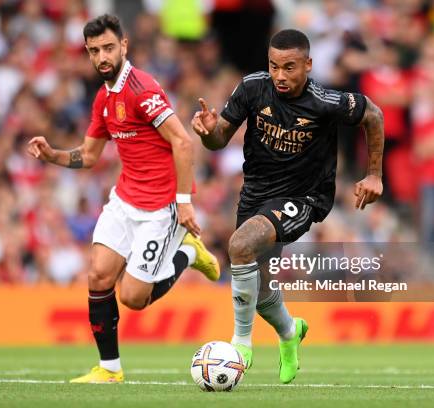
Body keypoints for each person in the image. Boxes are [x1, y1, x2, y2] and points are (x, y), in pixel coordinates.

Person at [28, 14, 220, 384]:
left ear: (124, 46)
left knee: (132, 297)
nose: (102, 56)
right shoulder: (104, 97)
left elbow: (182, 141)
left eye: (108, 48)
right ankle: (109, 369)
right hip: (125, 200)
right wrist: (52, 154)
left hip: (161, 207)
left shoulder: (141, 90)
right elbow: (89, 155)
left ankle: (189, 253)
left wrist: (183, 201)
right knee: (98, 275)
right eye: (94, 50)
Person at [191, 29, 384, 384]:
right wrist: (208, 132)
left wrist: (374, 175)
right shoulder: (251, 88)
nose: (280, 75)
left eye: (290, 67)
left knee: (239, 246)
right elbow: (219, 140)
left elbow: (373, 114)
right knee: (259, 285)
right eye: (274, 66)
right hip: (256, 193)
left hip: (305, 196)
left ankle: (240, 344)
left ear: (308, 65)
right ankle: (289, 332)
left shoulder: (326, 100)